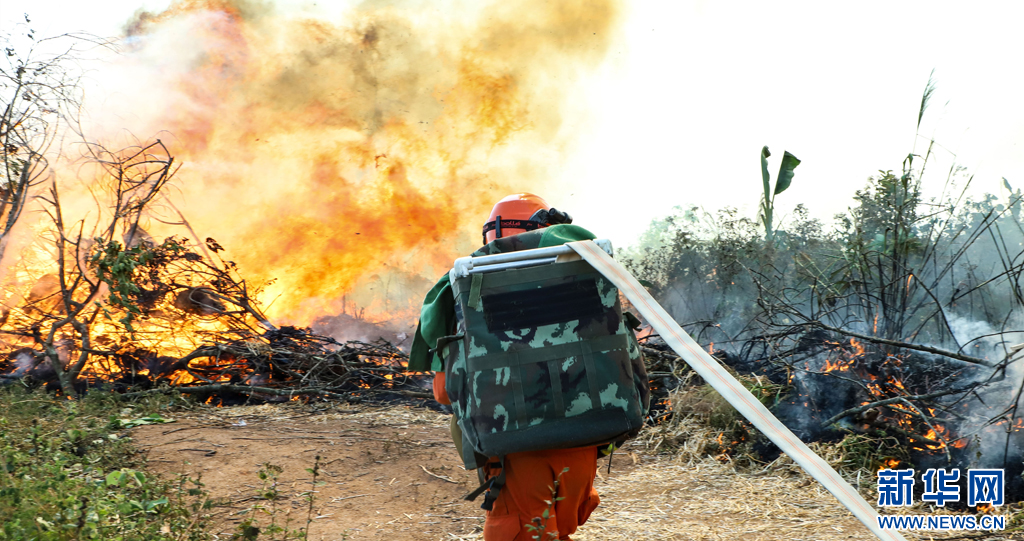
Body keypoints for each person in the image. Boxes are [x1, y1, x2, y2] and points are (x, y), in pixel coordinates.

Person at [409, 193, 649, 541]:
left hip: (516, 449)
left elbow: (444, 392)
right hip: (587, 439)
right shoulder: (586, 268)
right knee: (557, 531)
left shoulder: (465, 282)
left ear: (491, 234)